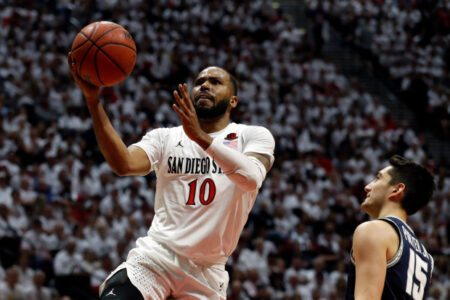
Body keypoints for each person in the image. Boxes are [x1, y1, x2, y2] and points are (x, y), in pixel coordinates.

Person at [68, 53, 275, 300]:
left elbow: (251, 179)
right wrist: (93, 101)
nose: (205, 85)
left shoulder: (252, 136)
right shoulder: (165, 137)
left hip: (206, 273)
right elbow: (123, 164)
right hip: (156, 257)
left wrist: (201, 138)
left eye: (215, 82)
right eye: (199, 82)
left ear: (233, 101)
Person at [346, 155, 435, 300]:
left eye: (377, 178)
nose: (367, 186)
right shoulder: (426, 257)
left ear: (396, 189)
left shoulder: (374, 230)